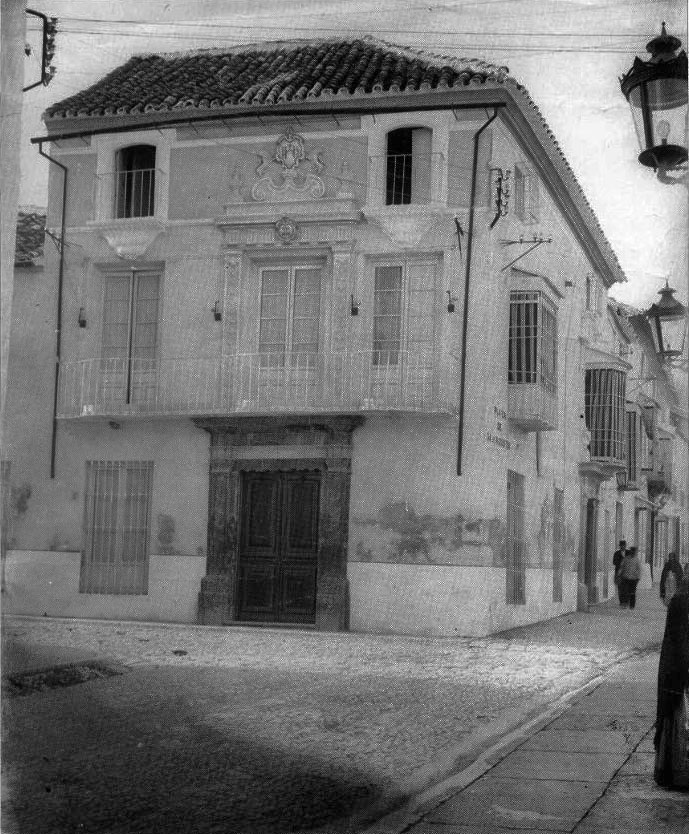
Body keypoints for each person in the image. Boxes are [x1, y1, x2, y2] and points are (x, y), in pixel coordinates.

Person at [654, 575, 689, 788]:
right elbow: (680, 640)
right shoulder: (682, 601)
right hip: (679, 671)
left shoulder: (680, 599)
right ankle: (677, 774)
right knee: (678, 720)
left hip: (677, 669)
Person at [613, 540, 627, 604]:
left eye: (624, 545)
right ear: (620, 546)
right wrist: (621, 563)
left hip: (627, 573)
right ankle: (621, 601)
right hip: (619, 573)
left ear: (625, 546)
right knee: (620, 588)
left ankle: (625, 600)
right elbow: (614, 562)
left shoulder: (629, 553)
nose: (622, 547)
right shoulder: (616, 553)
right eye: (621, 546)